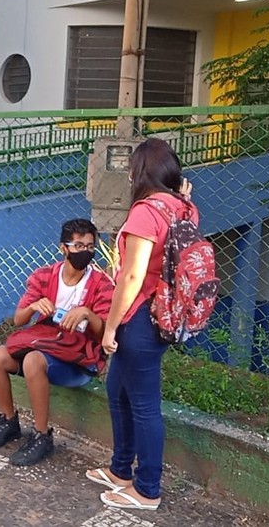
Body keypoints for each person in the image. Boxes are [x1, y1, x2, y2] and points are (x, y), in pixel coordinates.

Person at [85, 138, 194, 511]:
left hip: (140, 318)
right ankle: (120, 470)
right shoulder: (185, 208)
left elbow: (131, 278)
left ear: (137, 172)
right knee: (117, 388)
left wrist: (111, 327)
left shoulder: (145, 213)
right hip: (164, 313)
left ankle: (147, 489)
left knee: (145, 405)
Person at [0, 218, 113, 467]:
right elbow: (19, 320)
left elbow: (105, 332)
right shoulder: (44, 275)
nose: (85, 251)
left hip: (79, 357)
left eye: (90, 246)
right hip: (47, 343)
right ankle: (9, 421)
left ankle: (42, 435)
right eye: (78, 246)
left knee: (32, 360)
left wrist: (87, 314)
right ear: (63, 248)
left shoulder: (101, 284)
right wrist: (33, 306)